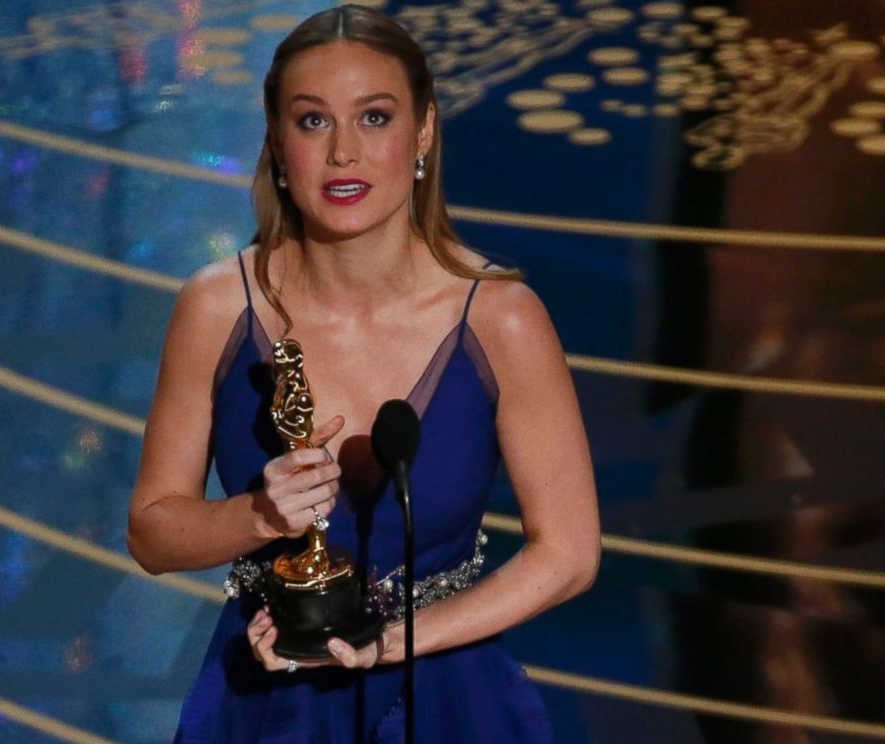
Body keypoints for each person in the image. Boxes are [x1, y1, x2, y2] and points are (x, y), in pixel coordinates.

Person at [126, 5, 601, 742]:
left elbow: (569, 556)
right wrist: (256, 516)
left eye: (374, 118)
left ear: (424, 132)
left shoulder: (502, 318)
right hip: (263, 702)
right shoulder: (217, 307)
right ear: (279, 145)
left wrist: (394, 641)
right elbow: (153, 534)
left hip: (448, 701)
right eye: (313, 121)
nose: (343, 152)